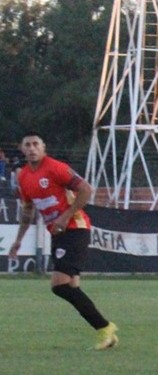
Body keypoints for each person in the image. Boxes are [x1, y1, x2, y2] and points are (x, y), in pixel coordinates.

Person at [7, 131, 118, 350]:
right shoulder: (23, 177)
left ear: (43, 147)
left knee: (59, 285)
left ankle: (106, 327)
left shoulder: (56, 167)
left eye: (35, 144)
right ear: (22, 149)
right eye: (27, 145)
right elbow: (28, 210)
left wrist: (66, 216)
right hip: (58, 233)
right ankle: (106, 334)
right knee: (72, 287)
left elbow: (86, 189)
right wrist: (19, 240)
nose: (31, 148)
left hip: (75, 228)